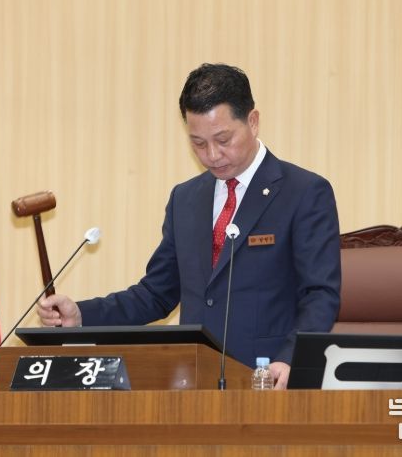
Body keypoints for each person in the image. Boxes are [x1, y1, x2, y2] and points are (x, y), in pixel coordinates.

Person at [38, 63, 341, 390]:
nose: (212, 155)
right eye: (198, 143)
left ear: (252, 122)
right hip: (195, 384)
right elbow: (155, 294)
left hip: (267, 382)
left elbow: (319, 294)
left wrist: (290, 359)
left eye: (223, 139)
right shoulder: (185, 199)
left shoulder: (303, 192)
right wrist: (81, 315)